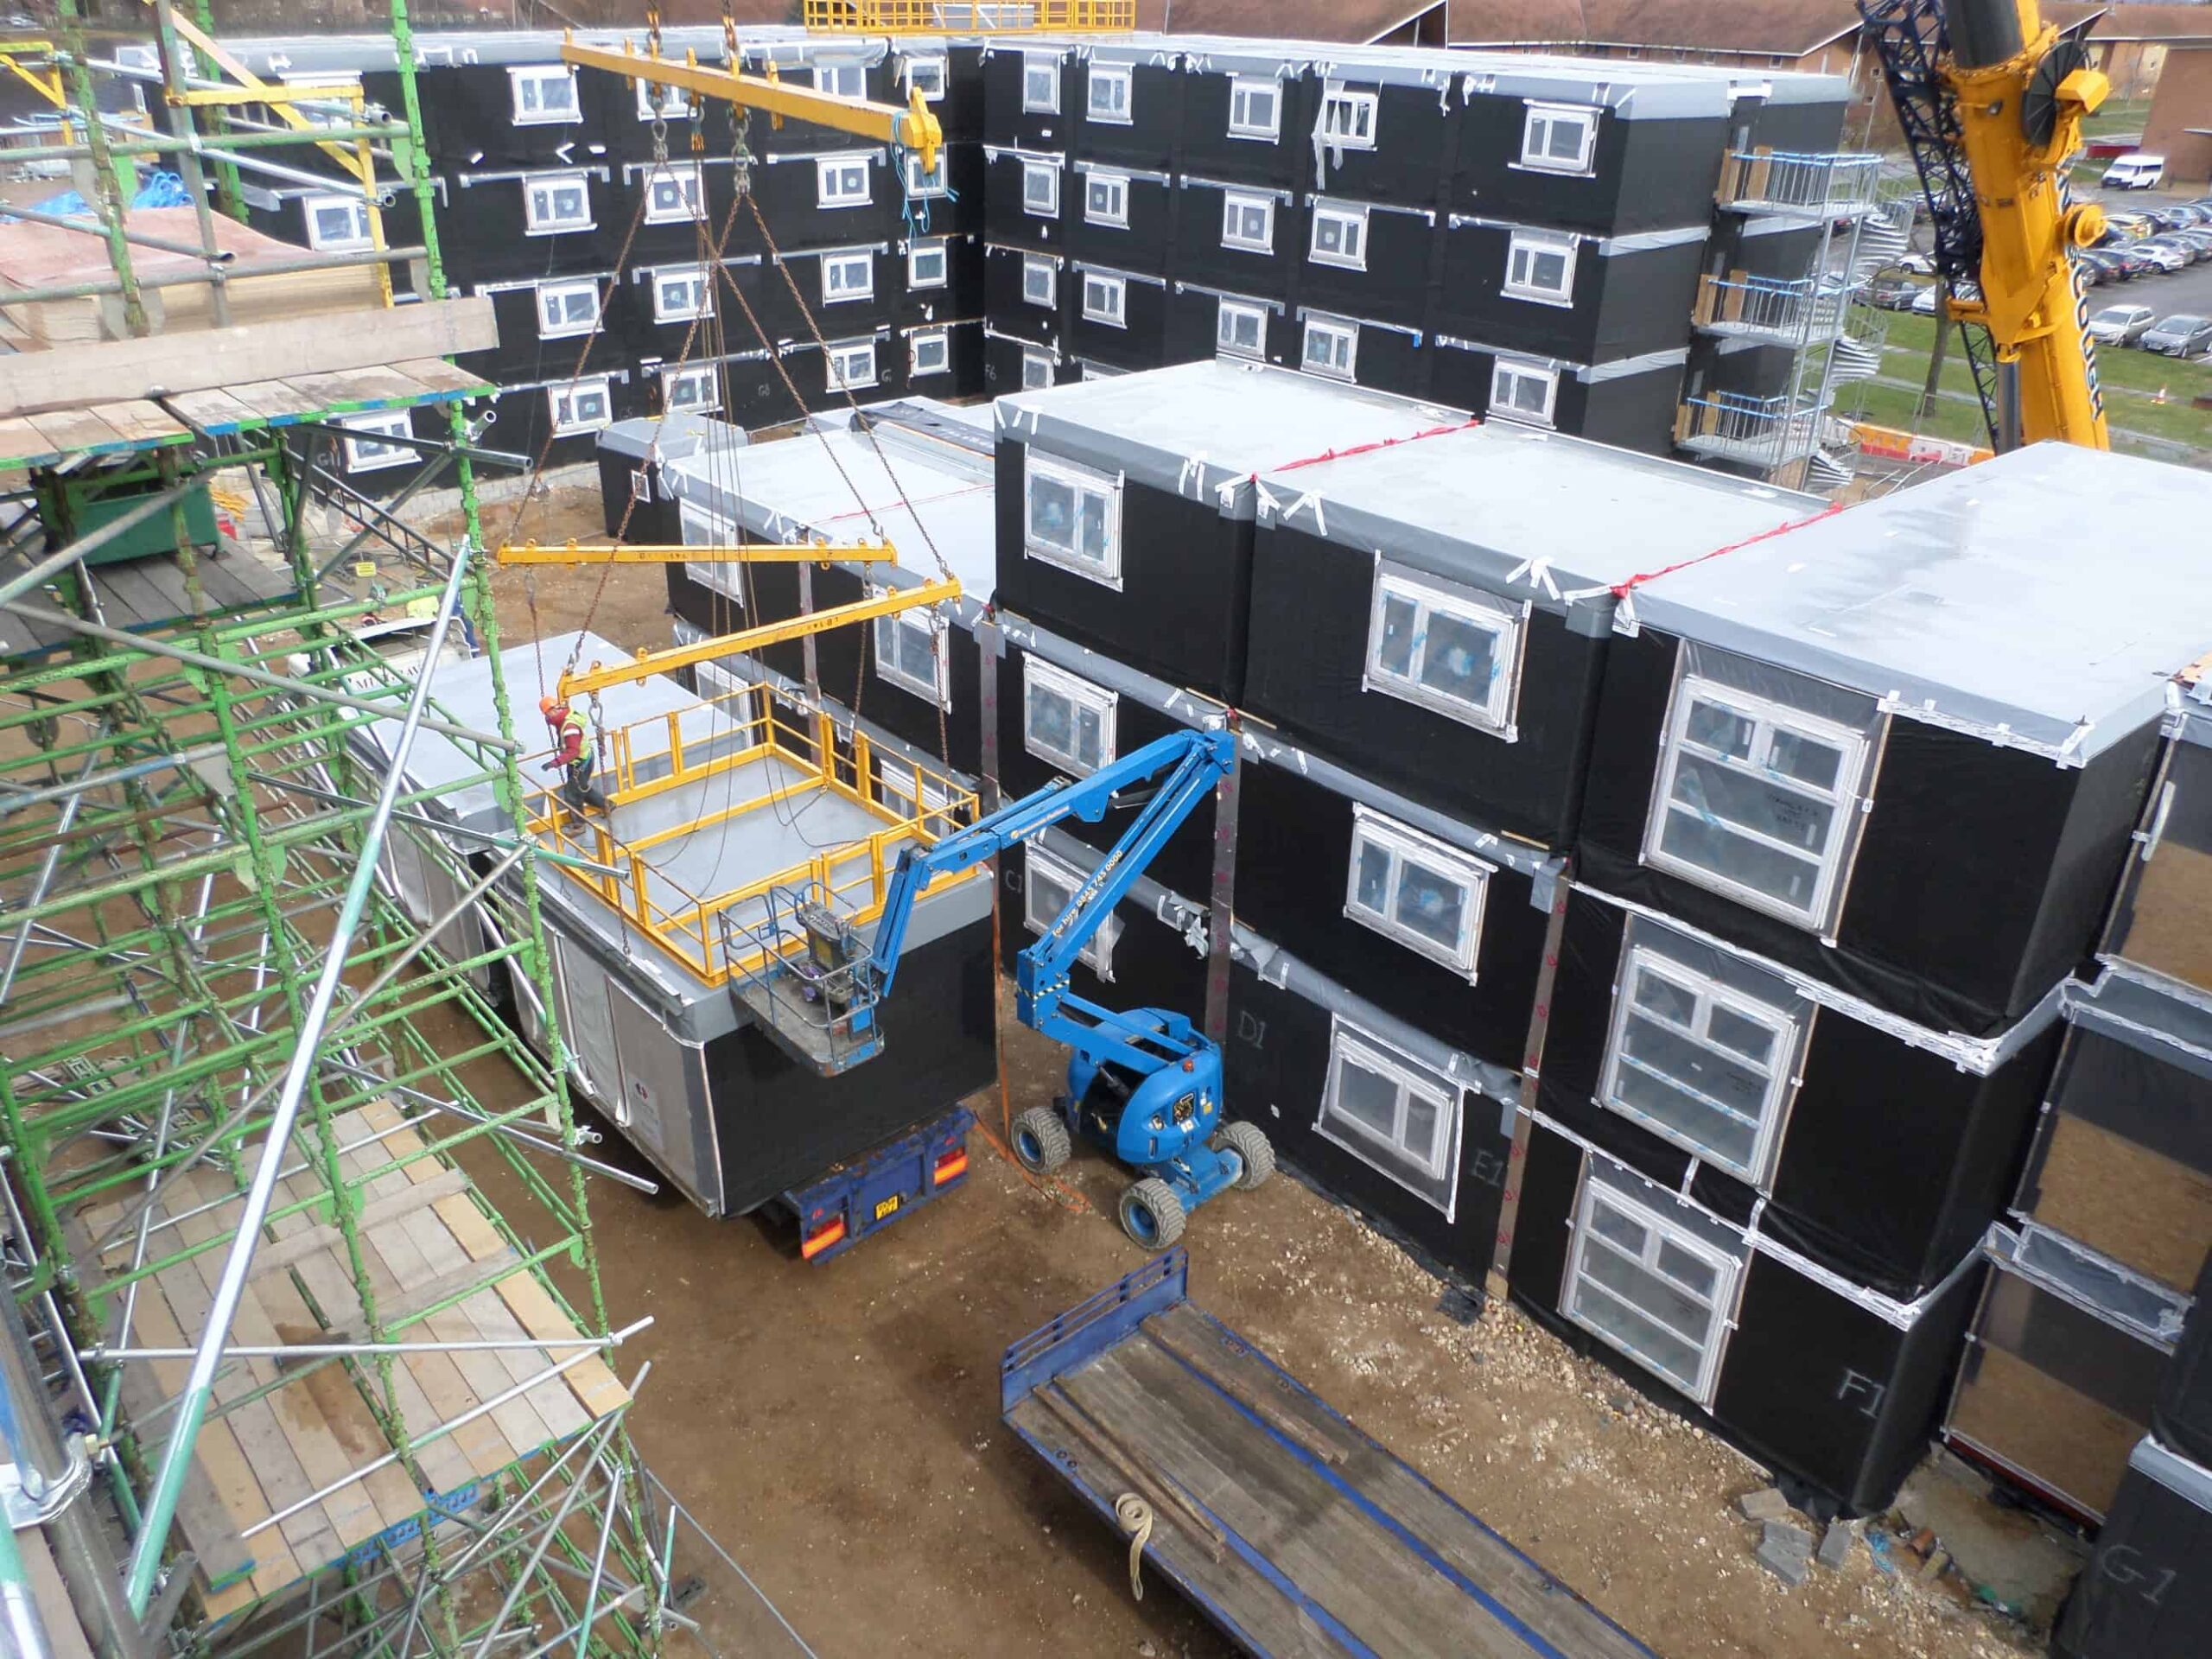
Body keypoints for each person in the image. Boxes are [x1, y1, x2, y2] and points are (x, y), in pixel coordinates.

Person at [540, 695, 607, 817]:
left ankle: (578, 825)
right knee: (581, 788)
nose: (547, 718)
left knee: (572, 794)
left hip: (581, 762)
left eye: (547, 715)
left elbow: (573, 751)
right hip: (579, 761)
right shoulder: (563, 719)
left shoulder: (570, 727)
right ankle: (607, 806)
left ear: (553, 710)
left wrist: (554, 763)